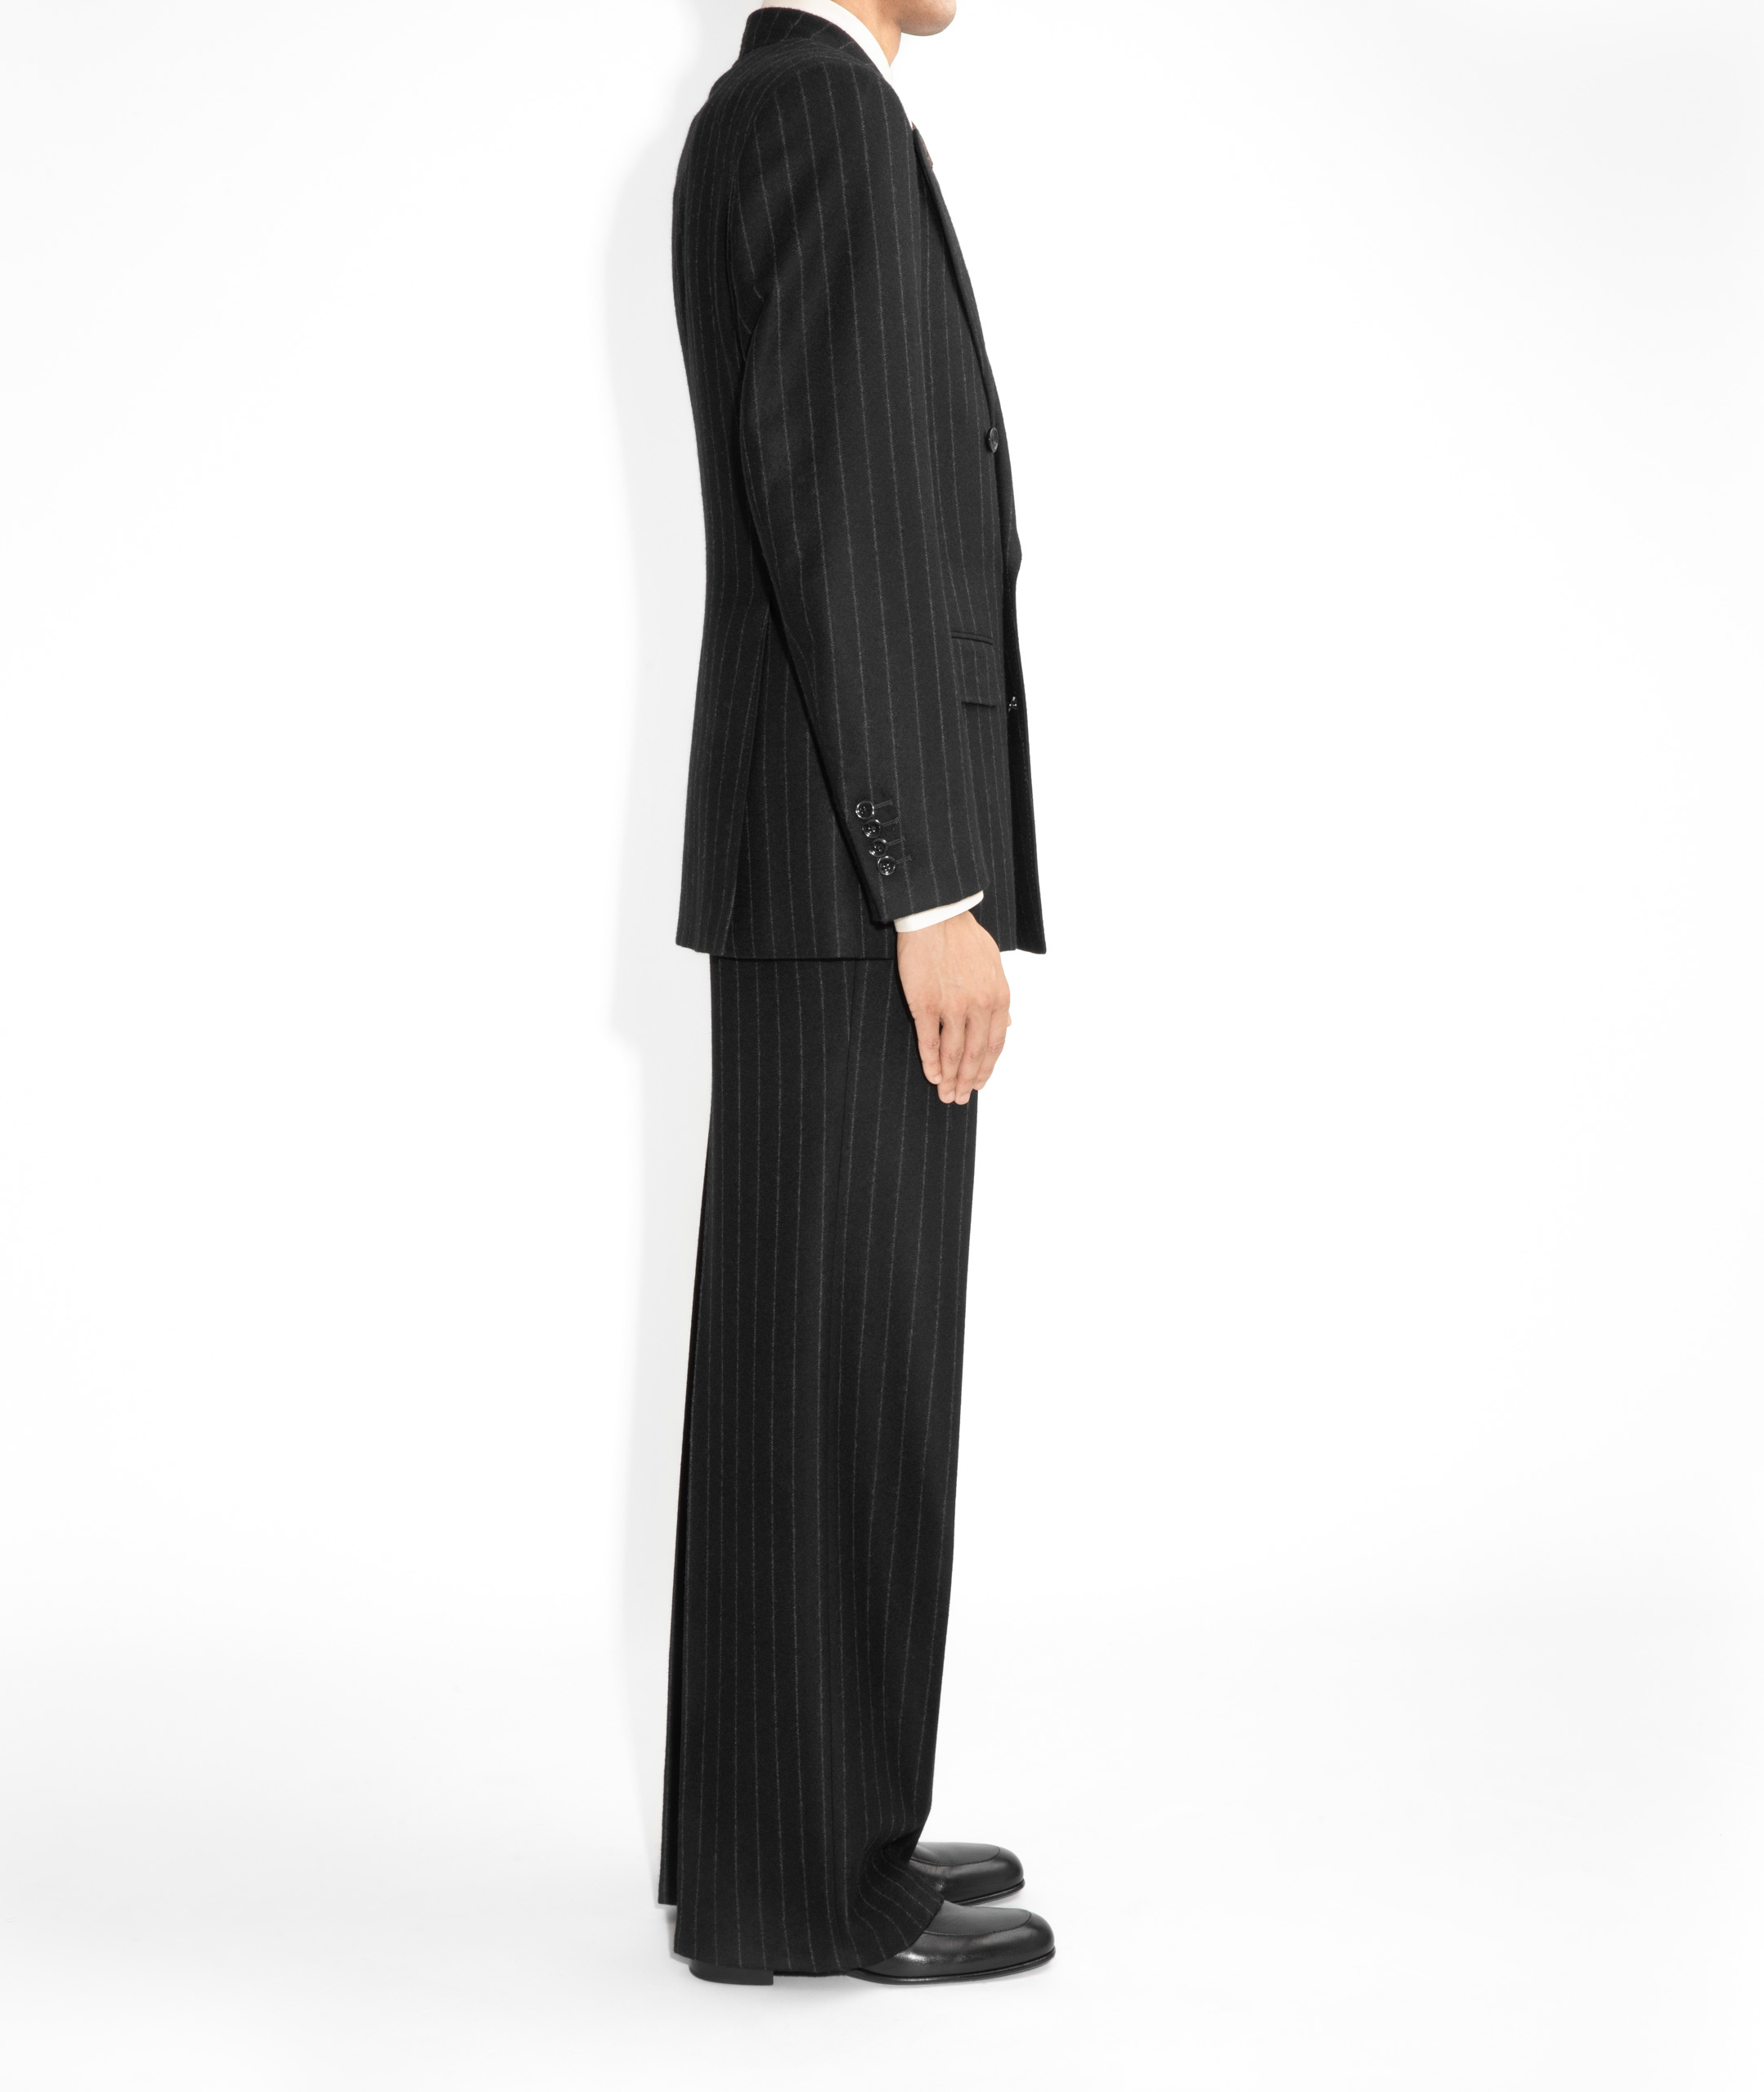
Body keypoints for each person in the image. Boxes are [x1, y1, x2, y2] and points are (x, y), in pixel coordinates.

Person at [657, 0, 1050, 1986]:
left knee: (817, 1373)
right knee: (842, 1375)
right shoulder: (811, 117)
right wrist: (932, 889)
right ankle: (813, 1872)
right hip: (849, 878)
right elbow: (837, 510)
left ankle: (795, 1834)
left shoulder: (791, 108)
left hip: (823, 866)